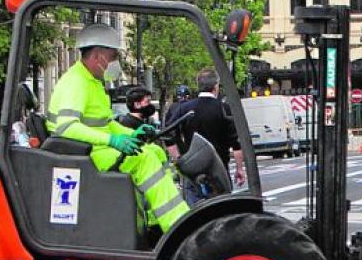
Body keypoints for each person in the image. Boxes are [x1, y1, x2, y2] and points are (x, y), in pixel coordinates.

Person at [47, 24, 189, 232]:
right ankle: (177, 226)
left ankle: (152, 220)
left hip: (93, 150)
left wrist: (132, 134)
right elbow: (66, 127)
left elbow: (105, 123)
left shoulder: (91, 82)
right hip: (81, 154)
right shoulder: (76, 82)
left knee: (156, 151)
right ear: (97, 56)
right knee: (145, 159)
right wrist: (113, 141)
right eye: (112, 57)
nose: (114, 62)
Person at [171, 69, 244, 203]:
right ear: (216, 86)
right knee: (221, 208)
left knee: (196, 212)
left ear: (198, 85)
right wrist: (239, 169)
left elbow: (169, 134)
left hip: (192, 169)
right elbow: (236, 144)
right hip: (219, 168)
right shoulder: (224, 109)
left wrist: (179, 158)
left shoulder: (185, 109)